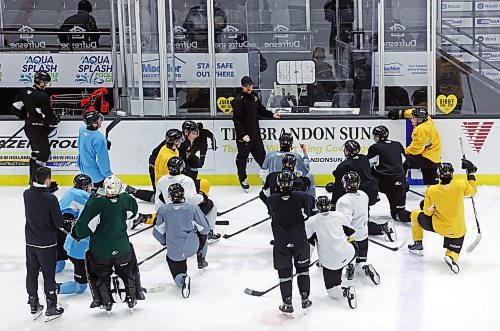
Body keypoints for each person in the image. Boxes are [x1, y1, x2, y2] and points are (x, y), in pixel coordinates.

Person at [71, 175, 145, 313]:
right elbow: (132, 213)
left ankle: (103, 299)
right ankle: (133, 293)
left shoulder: (95, 203)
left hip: (101, 253)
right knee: (128, 265)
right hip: (122, 250)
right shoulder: (126, 200)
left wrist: (75, 231)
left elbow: (82, 230)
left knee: (99, 271)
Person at [408, 161, 477, 274]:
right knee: (455, 246)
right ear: (452, 174)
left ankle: (418, 243)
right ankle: (451, 256)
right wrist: (471, 173)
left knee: (415, 214)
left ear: (438, 174)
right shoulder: (460, 185)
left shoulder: (431, 190)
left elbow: (427, 213)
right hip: (457, 230)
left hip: (438, 227)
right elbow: (473, 190)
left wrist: (432, 207)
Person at [265, 170, 315, 314]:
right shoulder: (303, 197)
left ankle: (287, 303)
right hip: (300, 240)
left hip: (281, 242)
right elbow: (310, 210)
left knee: (284, 273)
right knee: (303, 270)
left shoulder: (272, 200)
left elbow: (271, 209)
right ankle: (305, 299)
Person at [153, 183, 210, 298]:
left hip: (175, 251)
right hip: (193, 246)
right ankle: (201, 258)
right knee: (203, 237)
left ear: (169, 196)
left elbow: (157, 232)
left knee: (173, 262)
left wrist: (165, 242)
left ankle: (182, 279)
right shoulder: (193, 208)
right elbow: (205, 229)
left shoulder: (163, 210)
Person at [24, 167, 64, 321]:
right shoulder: (50, 199)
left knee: (32, 273)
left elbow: (35, 195)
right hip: (46, 243)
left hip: (31, 242)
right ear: (48, 180)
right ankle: (51, 307)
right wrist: (50, 194)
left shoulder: (26, 194)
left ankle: (33, 304)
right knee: (49, 275)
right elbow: (58, 223)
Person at [11, 71, 60, 189]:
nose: (47, 85)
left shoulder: (24, 92)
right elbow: (49, 117)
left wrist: (27, 117)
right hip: (38, 129)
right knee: (43, 155)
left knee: (36, 154)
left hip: (29, 128)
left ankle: (33, 181)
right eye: (46, 82)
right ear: (41, 82)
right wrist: (56, 119)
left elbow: (14, 108)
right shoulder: (43, 96)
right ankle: (37, 184)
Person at [305, 196, 357, 309]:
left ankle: (345, 292)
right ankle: (350, 265)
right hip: (350, 253)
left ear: (316, 207)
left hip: (331, 263)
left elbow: (310, 246)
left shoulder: (311, 222)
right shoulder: (339, 215)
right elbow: (352, 234)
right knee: (352, 247)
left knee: (332, 292)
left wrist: (306, 261)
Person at [231, 76, 280, 192]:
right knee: (242, 158)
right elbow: (236, 120)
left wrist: (271, 114)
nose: (248, 88)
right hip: (244, 137)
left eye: (250, 85)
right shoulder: (238, 100)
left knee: (262, 158)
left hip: (255, 135)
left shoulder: (254, 97)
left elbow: (261, 110)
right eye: (246, 86)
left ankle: (267, 179)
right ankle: (243, 179)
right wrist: (242, 134)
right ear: (242, 86)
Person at [154, 157, 220, 242]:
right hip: (185, 215)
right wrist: (202, 197)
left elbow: (158, 203)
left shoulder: (162, 180)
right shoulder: (186, 180)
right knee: (212, 204)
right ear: (182, 167)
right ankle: (209, 233)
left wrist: (163, 217)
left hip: (170, 215)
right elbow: (192, 200)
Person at [335, 171, 380, 285]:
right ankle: (364, 266)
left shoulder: (343, 201)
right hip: (364, 233)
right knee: (360, 259)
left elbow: (345, 222)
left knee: (350, 256)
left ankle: (350, 269)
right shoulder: (364, 195)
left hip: (352, 237)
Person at [55, 174, 93, 294]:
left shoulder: (71, 191)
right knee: (81, 286)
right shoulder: (81, 195)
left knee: (59, 265)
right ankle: (55, 289)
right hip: (68, 230)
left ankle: (45, 269)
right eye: (90, 185)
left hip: (56, 229)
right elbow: (88, 215)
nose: (91, 187)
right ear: (86, 186)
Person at [367, 125, 411, 223]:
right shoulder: (397, 145)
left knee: (363, 182)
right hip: (400, 182)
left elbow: (367, 167)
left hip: (384, 183)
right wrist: (402, 179)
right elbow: (406, 163)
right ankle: (415, 217)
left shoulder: (375, 148)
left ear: (378, 137)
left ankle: (362, 212)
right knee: (398, 214)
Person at [387, 107, 441, 185]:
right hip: (434, 157)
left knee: (401, 160)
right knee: (431, 180)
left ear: (419, 120)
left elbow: (416, 149)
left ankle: (400, 183)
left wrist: (404, 152)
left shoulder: (420, 129)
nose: (411, 119)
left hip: (426, 158)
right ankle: (433, 195)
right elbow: (413, 111)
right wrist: (401, 113)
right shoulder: (428, 121)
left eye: (413, 118)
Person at [259, 132, 316, 198]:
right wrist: (305, 153)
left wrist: (268, 186)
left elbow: (262, 173)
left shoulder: (270, 155)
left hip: (274, 188)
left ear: (280, 142)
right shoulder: (295, 156)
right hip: (291, 189)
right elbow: (306, 171)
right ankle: (311, 201)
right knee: (310, 176)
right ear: (291, 143)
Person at [327, 139, 379, 207]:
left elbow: (338, 187)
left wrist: (334, 202)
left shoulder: (344, 165)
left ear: (347, 151)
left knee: (342, 184)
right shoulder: (364, 158)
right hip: (372, 192)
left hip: (358, 195)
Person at [77, 109, 112, 188]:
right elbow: (102, 160)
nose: (100, 120)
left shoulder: (82, 129)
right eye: (98, 119)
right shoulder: (99, 139)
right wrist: (109, 175)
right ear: (95, 124)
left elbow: (81, 146)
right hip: (97, 176)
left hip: (84, 170)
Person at [178, 120, 211, 195]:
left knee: (194, 160)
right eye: (193, 133)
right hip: (160, 169)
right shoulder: (182, 143)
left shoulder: (185, 141)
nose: (196, 136)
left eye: (196, 133)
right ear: (186, 132)